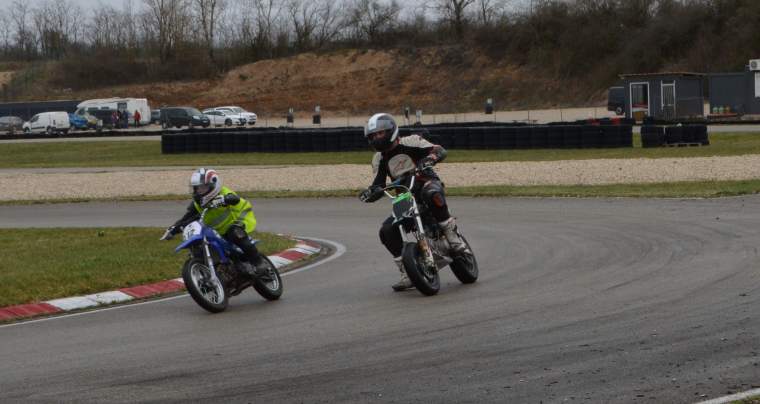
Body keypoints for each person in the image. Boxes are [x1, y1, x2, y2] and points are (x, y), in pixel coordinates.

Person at [358, 113, 466, 291]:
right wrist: (372, 193)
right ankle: (407, 272)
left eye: (380, 133)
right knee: (386, 230)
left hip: (425, 182)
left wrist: (429, 159)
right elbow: (378, 184)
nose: (377, 137)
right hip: (403, 195)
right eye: (373, 135)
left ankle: (452, 236)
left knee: (431, 193)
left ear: (391, 130)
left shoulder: (412, 141)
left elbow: (439, 150)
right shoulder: (379, 158)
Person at [160, 168, 266, 277]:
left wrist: (225, 199)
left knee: (234, 233)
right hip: (219, 231)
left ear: (213, 184)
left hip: (239, 219)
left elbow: (234, 198)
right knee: (207, 242)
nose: (199, 191)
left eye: (203, 187)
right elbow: (186, 219)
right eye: (197, 188)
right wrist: (173, 229)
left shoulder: (223, 192)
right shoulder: (198, 203)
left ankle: (259, 263)